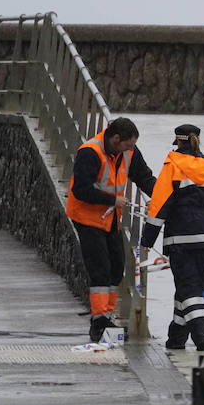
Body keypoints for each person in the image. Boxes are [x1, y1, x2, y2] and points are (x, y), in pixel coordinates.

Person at [66, 117, 156, 342]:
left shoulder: (128, 151)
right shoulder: (90, 152)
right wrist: (112, 200)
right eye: (128, 144)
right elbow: (80, 190)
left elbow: (144, 177)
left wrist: (163, 198)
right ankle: (98, 322)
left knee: (117, 266)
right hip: (87, 217)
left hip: (110, 218)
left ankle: (106, 316)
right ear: (116, 139)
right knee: (100, 268)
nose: (132, 149)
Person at [141, 124, 204, 351]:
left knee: (189, 289)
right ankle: (177, 338)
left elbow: (159, 205)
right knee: (190, 289)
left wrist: (146, 241)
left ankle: (202, 333)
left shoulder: (173, 164)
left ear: (178, 142)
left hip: (182, 237)